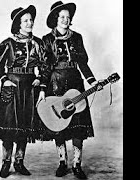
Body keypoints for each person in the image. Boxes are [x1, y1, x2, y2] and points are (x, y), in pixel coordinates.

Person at [36, 1, 103, 179]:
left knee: (78, 126)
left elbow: (83, 63)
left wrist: (92, 81)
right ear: (55, 19)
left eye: (68, 17)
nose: (66, 20)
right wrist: (43, 89)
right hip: (55, 85)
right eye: (62, 17)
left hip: (75, 85)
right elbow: (45, 67)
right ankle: (62, 162)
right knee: (58, 125)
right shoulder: (47, 40)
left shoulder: (77, 37)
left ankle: (77, 164)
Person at [0, 5, 46, 178]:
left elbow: (45, 66)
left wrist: (40, 79)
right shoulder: (7, 43)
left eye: (31, 20)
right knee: (10, 126)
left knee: (24, 125)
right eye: (26, 21)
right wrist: (5, 80)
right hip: (12, 85)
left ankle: (19, 161)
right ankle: (6, 162)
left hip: (30, 87)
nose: (30, 23)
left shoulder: (38, 43)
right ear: (18, 24)